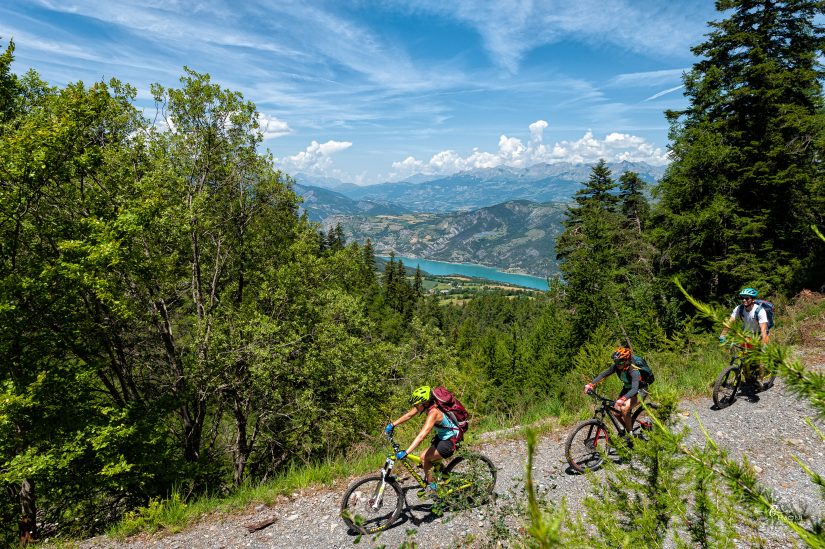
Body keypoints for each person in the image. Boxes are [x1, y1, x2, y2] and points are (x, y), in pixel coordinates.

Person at [384, 386, 460, 495]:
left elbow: (421, 436)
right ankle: (443, 475)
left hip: (451, 440)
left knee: (425, 458)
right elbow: (409, 415)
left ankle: (432, 487)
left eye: (416, 404)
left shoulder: (433, 413)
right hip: (444, 436)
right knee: (422, 456)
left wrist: (406, 452)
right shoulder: (427, 405)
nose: (415, 407)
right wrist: (393, 424)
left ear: (424, 403)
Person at [584, 347, 650, 438]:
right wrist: (591, 384)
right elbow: (604, 374)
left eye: (620, 361)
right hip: (627, 389)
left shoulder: (633, 370)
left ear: (627, 360)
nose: (617, 364)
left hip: (640, 390)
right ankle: (627, 428)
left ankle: (631, 436)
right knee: (615, 411)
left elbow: (635, 389)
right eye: (616, 361)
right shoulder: (617, 367)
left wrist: (623, 399)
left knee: (624, 408)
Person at [719, 287, 771, 388]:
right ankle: (747, 375)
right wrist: (723, 335)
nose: (744, 300)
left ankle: (760, 380)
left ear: (753, 299)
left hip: (759, 335)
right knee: (743, 355)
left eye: (747, 298)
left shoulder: (760, 311)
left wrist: (764, 346)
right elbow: (730, 322)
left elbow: (764, 331)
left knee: (760, 360)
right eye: (742, 298)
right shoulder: (740, 308)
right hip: (747, 335)